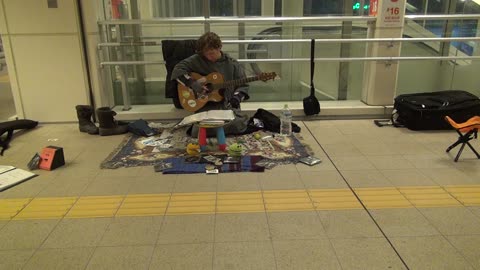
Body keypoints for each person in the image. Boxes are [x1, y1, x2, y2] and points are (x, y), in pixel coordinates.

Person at [171, 32, 250, 136]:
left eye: (212, 53)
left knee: (240, 124)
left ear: (219, 47)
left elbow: (243, 85)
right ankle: (215, 129)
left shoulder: (232, 64)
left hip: (226, 105)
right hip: (206, 105)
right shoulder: (197, 59)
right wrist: (193, 84)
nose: (208, 57)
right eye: (205, 53)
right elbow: (177, 70)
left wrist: (237, 98)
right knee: (197, 131)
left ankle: (217, 128)